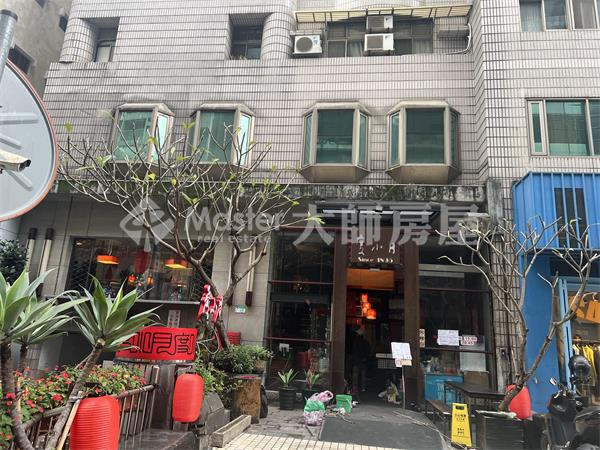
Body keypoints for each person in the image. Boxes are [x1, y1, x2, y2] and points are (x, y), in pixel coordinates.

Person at [351, 327, 371, 396]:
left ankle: (355, 388)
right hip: (363, 361)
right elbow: (368, 351)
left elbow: (354, 351)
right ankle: (363, 387)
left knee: (355, 375)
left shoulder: (355, 342)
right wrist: (364, 357)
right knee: (363, 375)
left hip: (356, 361)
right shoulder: (366, 342)